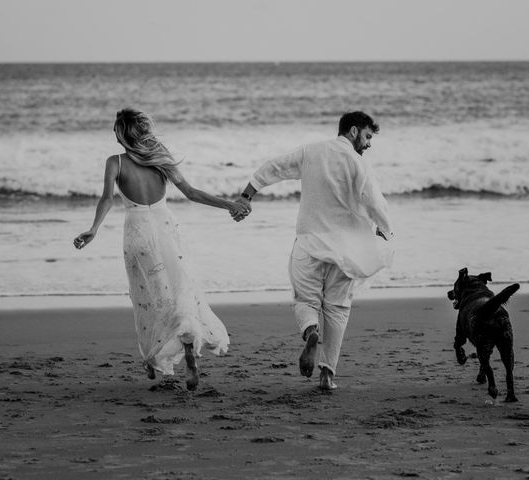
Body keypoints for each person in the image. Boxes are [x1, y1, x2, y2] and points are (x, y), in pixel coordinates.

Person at [73, 108, 250, 390]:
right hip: (166, 229)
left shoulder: (115, 162)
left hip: (138, 234)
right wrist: (230, 204)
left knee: (149, 298)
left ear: (121, 133)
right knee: (180, 291)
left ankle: (155, 357)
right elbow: (191, 193)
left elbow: (107, 199)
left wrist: (93, 229)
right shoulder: (159, 157)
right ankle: (188, 343)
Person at [236, 111, 393, 390]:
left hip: (308, 244)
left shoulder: (311, 152)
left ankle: (310, 331)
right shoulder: (359, 164)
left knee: (305, 300)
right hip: (345, 252)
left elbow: (275, 167)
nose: (368, 144)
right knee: (337, 309)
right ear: (354, 131)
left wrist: (247, 195)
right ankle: (327, 375)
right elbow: (374, 202)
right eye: (368, 136)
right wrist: (385, 230)